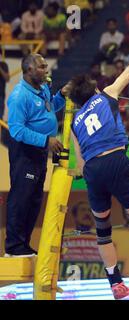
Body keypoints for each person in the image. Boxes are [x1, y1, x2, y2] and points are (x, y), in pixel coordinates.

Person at [69, 38, 129, 300]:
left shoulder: (73, 122)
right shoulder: (107, 94)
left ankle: (116, 284)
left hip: (93, 169)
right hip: (115, 161)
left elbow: (79, 164)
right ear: (93, 89)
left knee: (103, 230)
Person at [5, 54, 70, 257]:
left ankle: (23, 245)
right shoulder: (18, 97)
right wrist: (46, 141)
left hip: (40, 152)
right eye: (41, 67)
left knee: (33, 201)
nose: (46, 69)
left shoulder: (42, 89)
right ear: (29, 70)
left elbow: (49, 109)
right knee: (21, 198)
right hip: (25, 153)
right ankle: (13, 247)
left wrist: (61, 95)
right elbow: (16, 131)